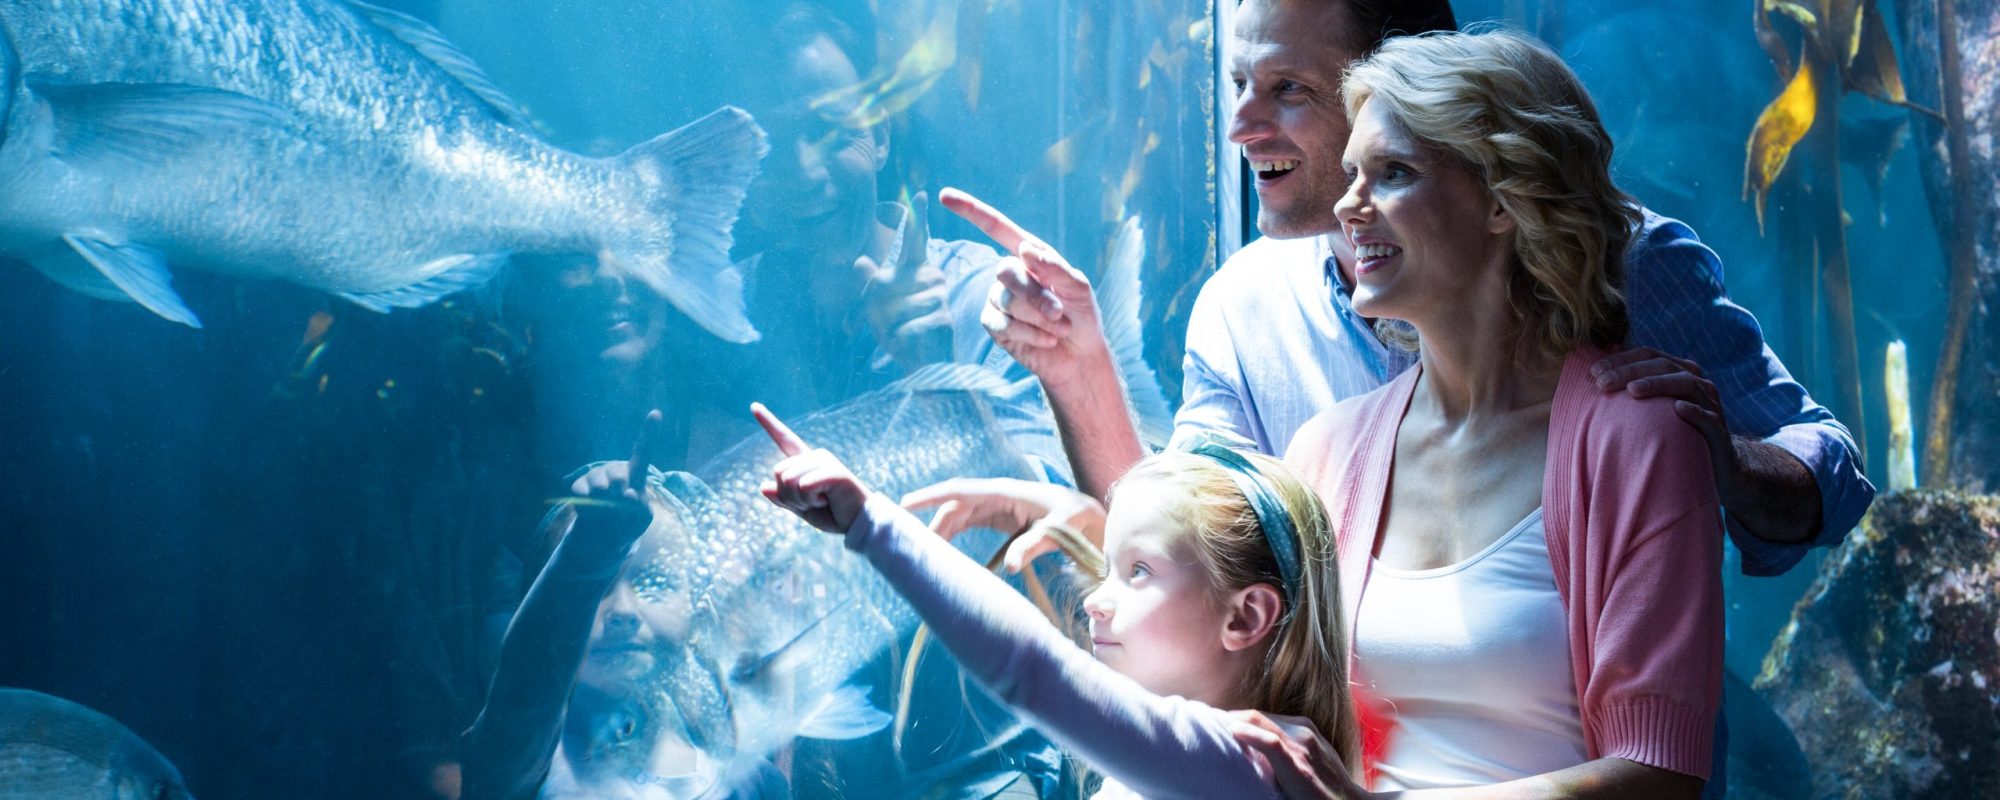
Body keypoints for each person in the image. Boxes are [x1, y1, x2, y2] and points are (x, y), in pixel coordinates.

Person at [962, 0, 1872, 579]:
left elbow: (1832, 478)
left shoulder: (1621, 263)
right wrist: (1079, 370)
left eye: (1287, 89)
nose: (1241, 125)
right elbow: (1192, 554)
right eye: (1238, 81)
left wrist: (1721, 461)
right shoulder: (1243, 307)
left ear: (1397, 89)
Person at [1287, 29, 1721, 795]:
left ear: (1501, 200)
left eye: (1393, 173)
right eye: (1351, 174)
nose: (1348, 207)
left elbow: (1658, 775)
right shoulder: (1323, 453)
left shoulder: (1640, 440)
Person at [752, 401, 1359, 799]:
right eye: (1108, 569)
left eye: (1138, 572)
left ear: (1245, 616)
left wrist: (870, 525)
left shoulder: (1243, 767)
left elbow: (1033, 673)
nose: (1097, 601)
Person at [459, 412, 788, 800]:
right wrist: (585, 555)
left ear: (699, 613)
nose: (623, 611)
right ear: (540, 613)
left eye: (654, 583)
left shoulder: (753, 783)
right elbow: (522, 695)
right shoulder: (523, 761)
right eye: (597, 588)